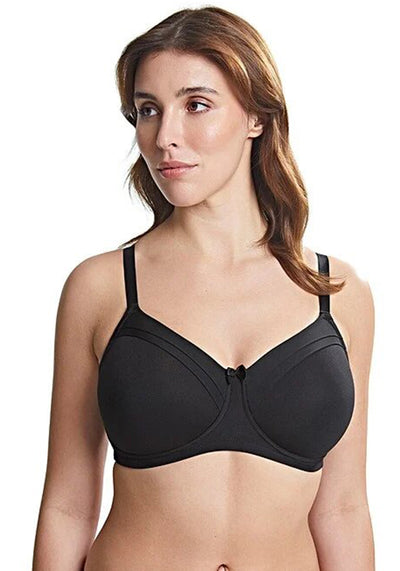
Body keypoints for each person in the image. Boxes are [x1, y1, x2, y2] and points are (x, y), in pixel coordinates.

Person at [32, 6, 375, 570]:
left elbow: (343, 508)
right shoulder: (102, 288)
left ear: (256, 116)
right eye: (148, 110)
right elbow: (68, 506)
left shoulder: (337, 293)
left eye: (196, 105)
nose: (165, 137)